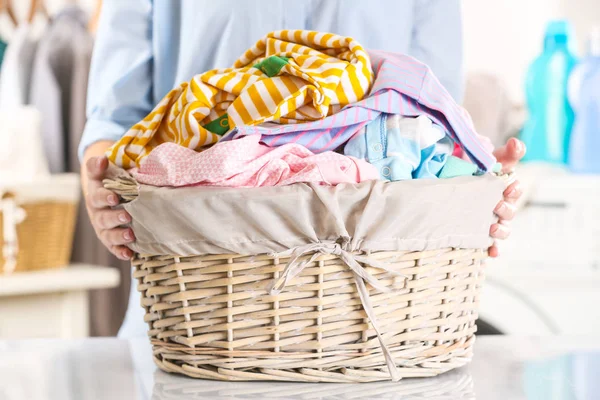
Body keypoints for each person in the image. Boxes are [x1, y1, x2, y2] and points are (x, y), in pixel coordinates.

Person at [80, 0, 525, 337]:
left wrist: (475, 182)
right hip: (200, 304)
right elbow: (114, 122)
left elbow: (433, 119)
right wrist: (100, 183)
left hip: (372, 321)